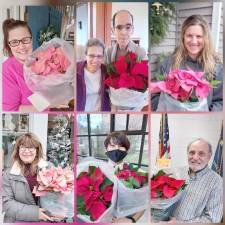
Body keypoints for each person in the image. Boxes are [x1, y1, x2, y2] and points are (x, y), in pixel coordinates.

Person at [151, 15, 223, 111]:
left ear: (206, 38)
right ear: (183, 37)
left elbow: (220, 102)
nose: (194, 41)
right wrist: (166, 107)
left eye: (199, 36)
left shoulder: (217, 66)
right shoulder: (168, 62)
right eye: (189, 36)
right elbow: (154, 95)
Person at [2, 133, 58, 222]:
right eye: (23, 147)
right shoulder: (8, 174)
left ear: (37, 150)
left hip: (46, 220)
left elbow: (59, 196)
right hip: (18, 221)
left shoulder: (49, 168)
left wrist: (61, 209)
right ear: (17, 150)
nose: (27, 151)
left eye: (31, 147)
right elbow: (6, 204)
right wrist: (35, 213)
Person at [169, 138, 223, 223]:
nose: (195, 157)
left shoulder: (217, 182)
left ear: (209, 156)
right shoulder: (177, 172)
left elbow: (213, 219)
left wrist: (179, 223)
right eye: (192, 152)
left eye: (201, 153)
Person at [104, 132, 145, 223]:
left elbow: (144, 202)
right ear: (106, 148)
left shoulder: (136, 172)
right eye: (112, 145)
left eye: (121, 146)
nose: (117, 149)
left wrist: (131, 220)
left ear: (126, 150)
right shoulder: (98, 171)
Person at [2, 19, 39, 112]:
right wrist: (48, 103)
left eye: (25, 40)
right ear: (9, 45)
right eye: (14, 42)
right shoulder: (7, 70)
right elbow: (11, 111)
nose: (21, 46)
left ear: (31, 39)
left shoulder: (38, 59)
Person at [76, 38, 110, 111]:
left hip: (102, 112)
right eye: (91, 56)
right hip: (82, 112)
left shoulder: (107, 72)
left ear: (103, 57)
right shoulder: (76, 70)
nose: (95, 60)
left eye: (99, 56)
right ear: (86, 55)